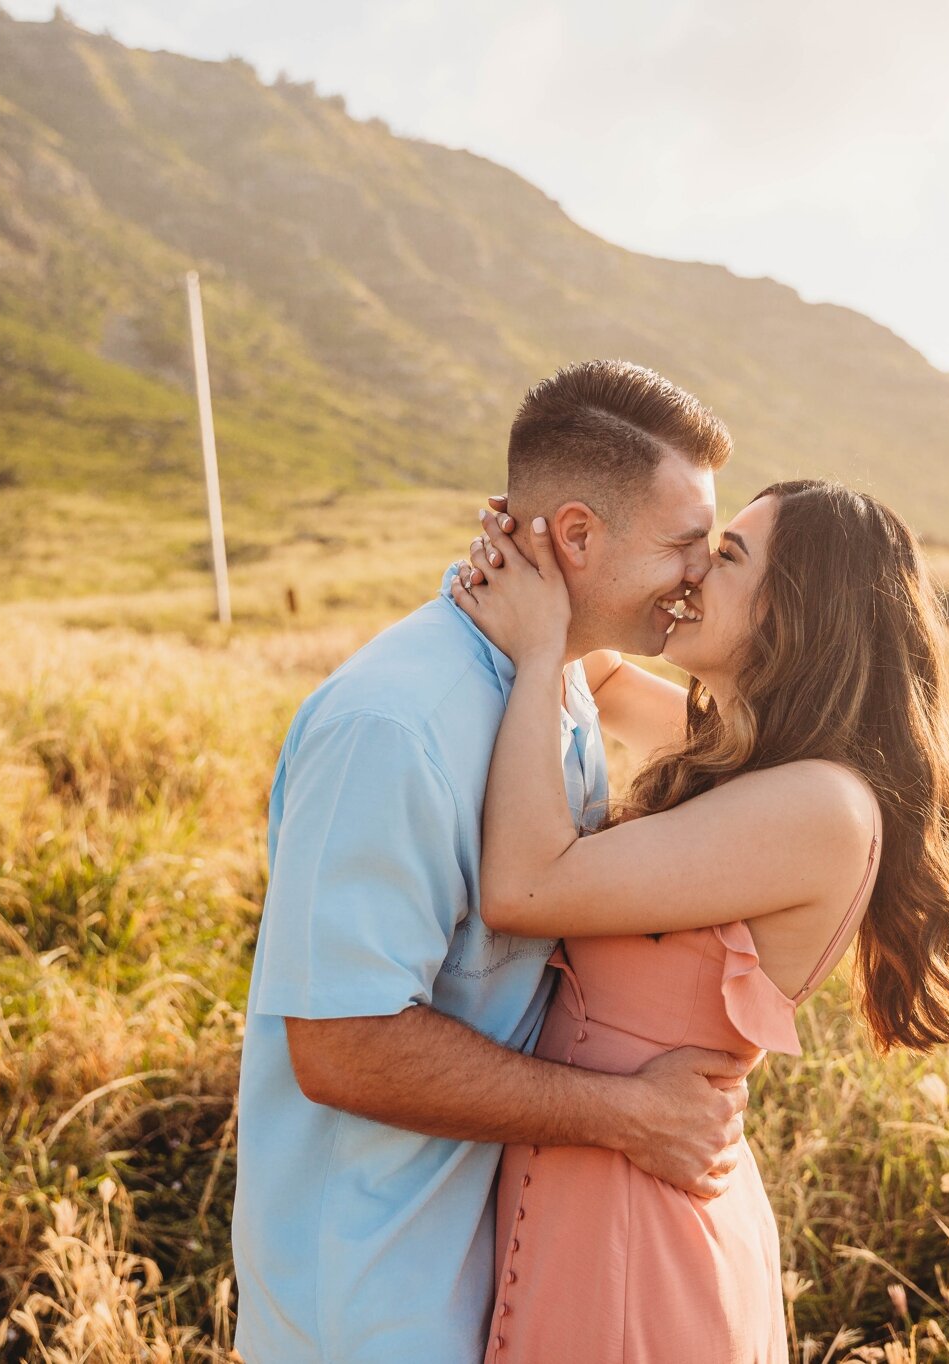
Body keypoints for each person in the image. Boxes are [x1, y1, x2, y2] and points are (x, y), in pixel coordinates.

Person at [232, 360, 760, 1364]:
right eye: (684, 542)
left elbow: (719, 728)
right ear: (573, 535)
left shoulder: (551, 674)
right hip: (375, 1299)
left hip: (505, 1263)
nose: (697, 570)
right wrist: (629, 1115)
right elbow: (341, 1043)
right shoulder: (394, 725)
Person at [446, 478, 949, 1363]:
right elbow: (609, 676)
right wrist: (549, 553)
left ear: (799, 609)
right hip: (590, 1189)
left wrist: (540, 654)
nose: (694, 572)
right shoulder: (743, 756)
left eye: (726, 555)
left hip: (637, 1234)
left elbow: (527, 889)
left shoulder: (819, 805)